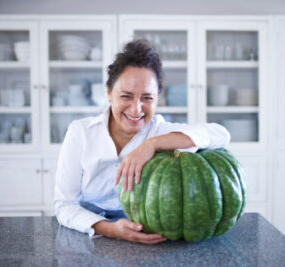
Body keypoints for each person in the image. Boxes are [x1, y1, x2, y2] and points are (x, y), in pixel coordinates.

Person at [54, 39, 230, 244]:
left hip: (146, 232)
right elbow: (64, 205)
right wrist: (111, 229)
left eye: (147, 98)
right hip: (88, 234)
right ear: (109, 92)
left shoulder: (160, 131)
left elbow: (221, 134)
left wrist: (151, 145)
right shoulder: (81, 132)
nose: (136, 109)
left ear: (158, 99)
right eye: (126, 96)